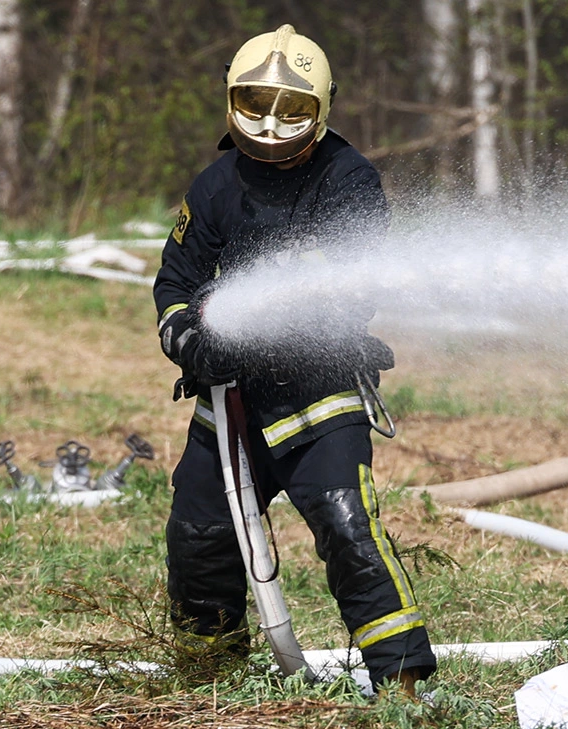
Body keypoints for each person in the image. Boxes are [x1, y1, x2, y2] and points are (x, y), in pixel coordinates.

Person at [152, 24, 437, 694]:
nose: (272, 124)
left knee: (346, 525)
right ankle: (209, 677)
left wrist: (253, 328)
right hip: (229, 407)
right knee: (199, 534)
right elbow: (175, 281)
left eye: (292, 109)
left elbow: (351, 287)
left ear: (322, 108)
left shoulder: (348, 178)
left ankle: (402, 686)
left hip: (319, 396)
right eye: (256, 104)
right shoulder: (215, 184)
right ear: (232, 99)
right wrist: (189, 337)